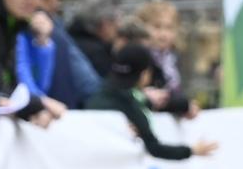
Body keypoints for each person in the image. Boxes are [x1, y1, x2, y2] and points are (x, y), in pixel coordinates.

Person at [86, 45, 218, 161]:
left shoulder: (100, 92)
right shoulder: (130, 103)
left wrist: (183, 106)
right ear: (144, 73)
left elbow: (151, 103)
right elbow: (154, 148)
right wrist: (192, 151)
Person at [68, 0, 122, 77]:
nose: (119, 28)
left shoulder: (67, 39)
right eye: (115, 23)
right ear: (105, 24)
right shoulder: (98, 55)